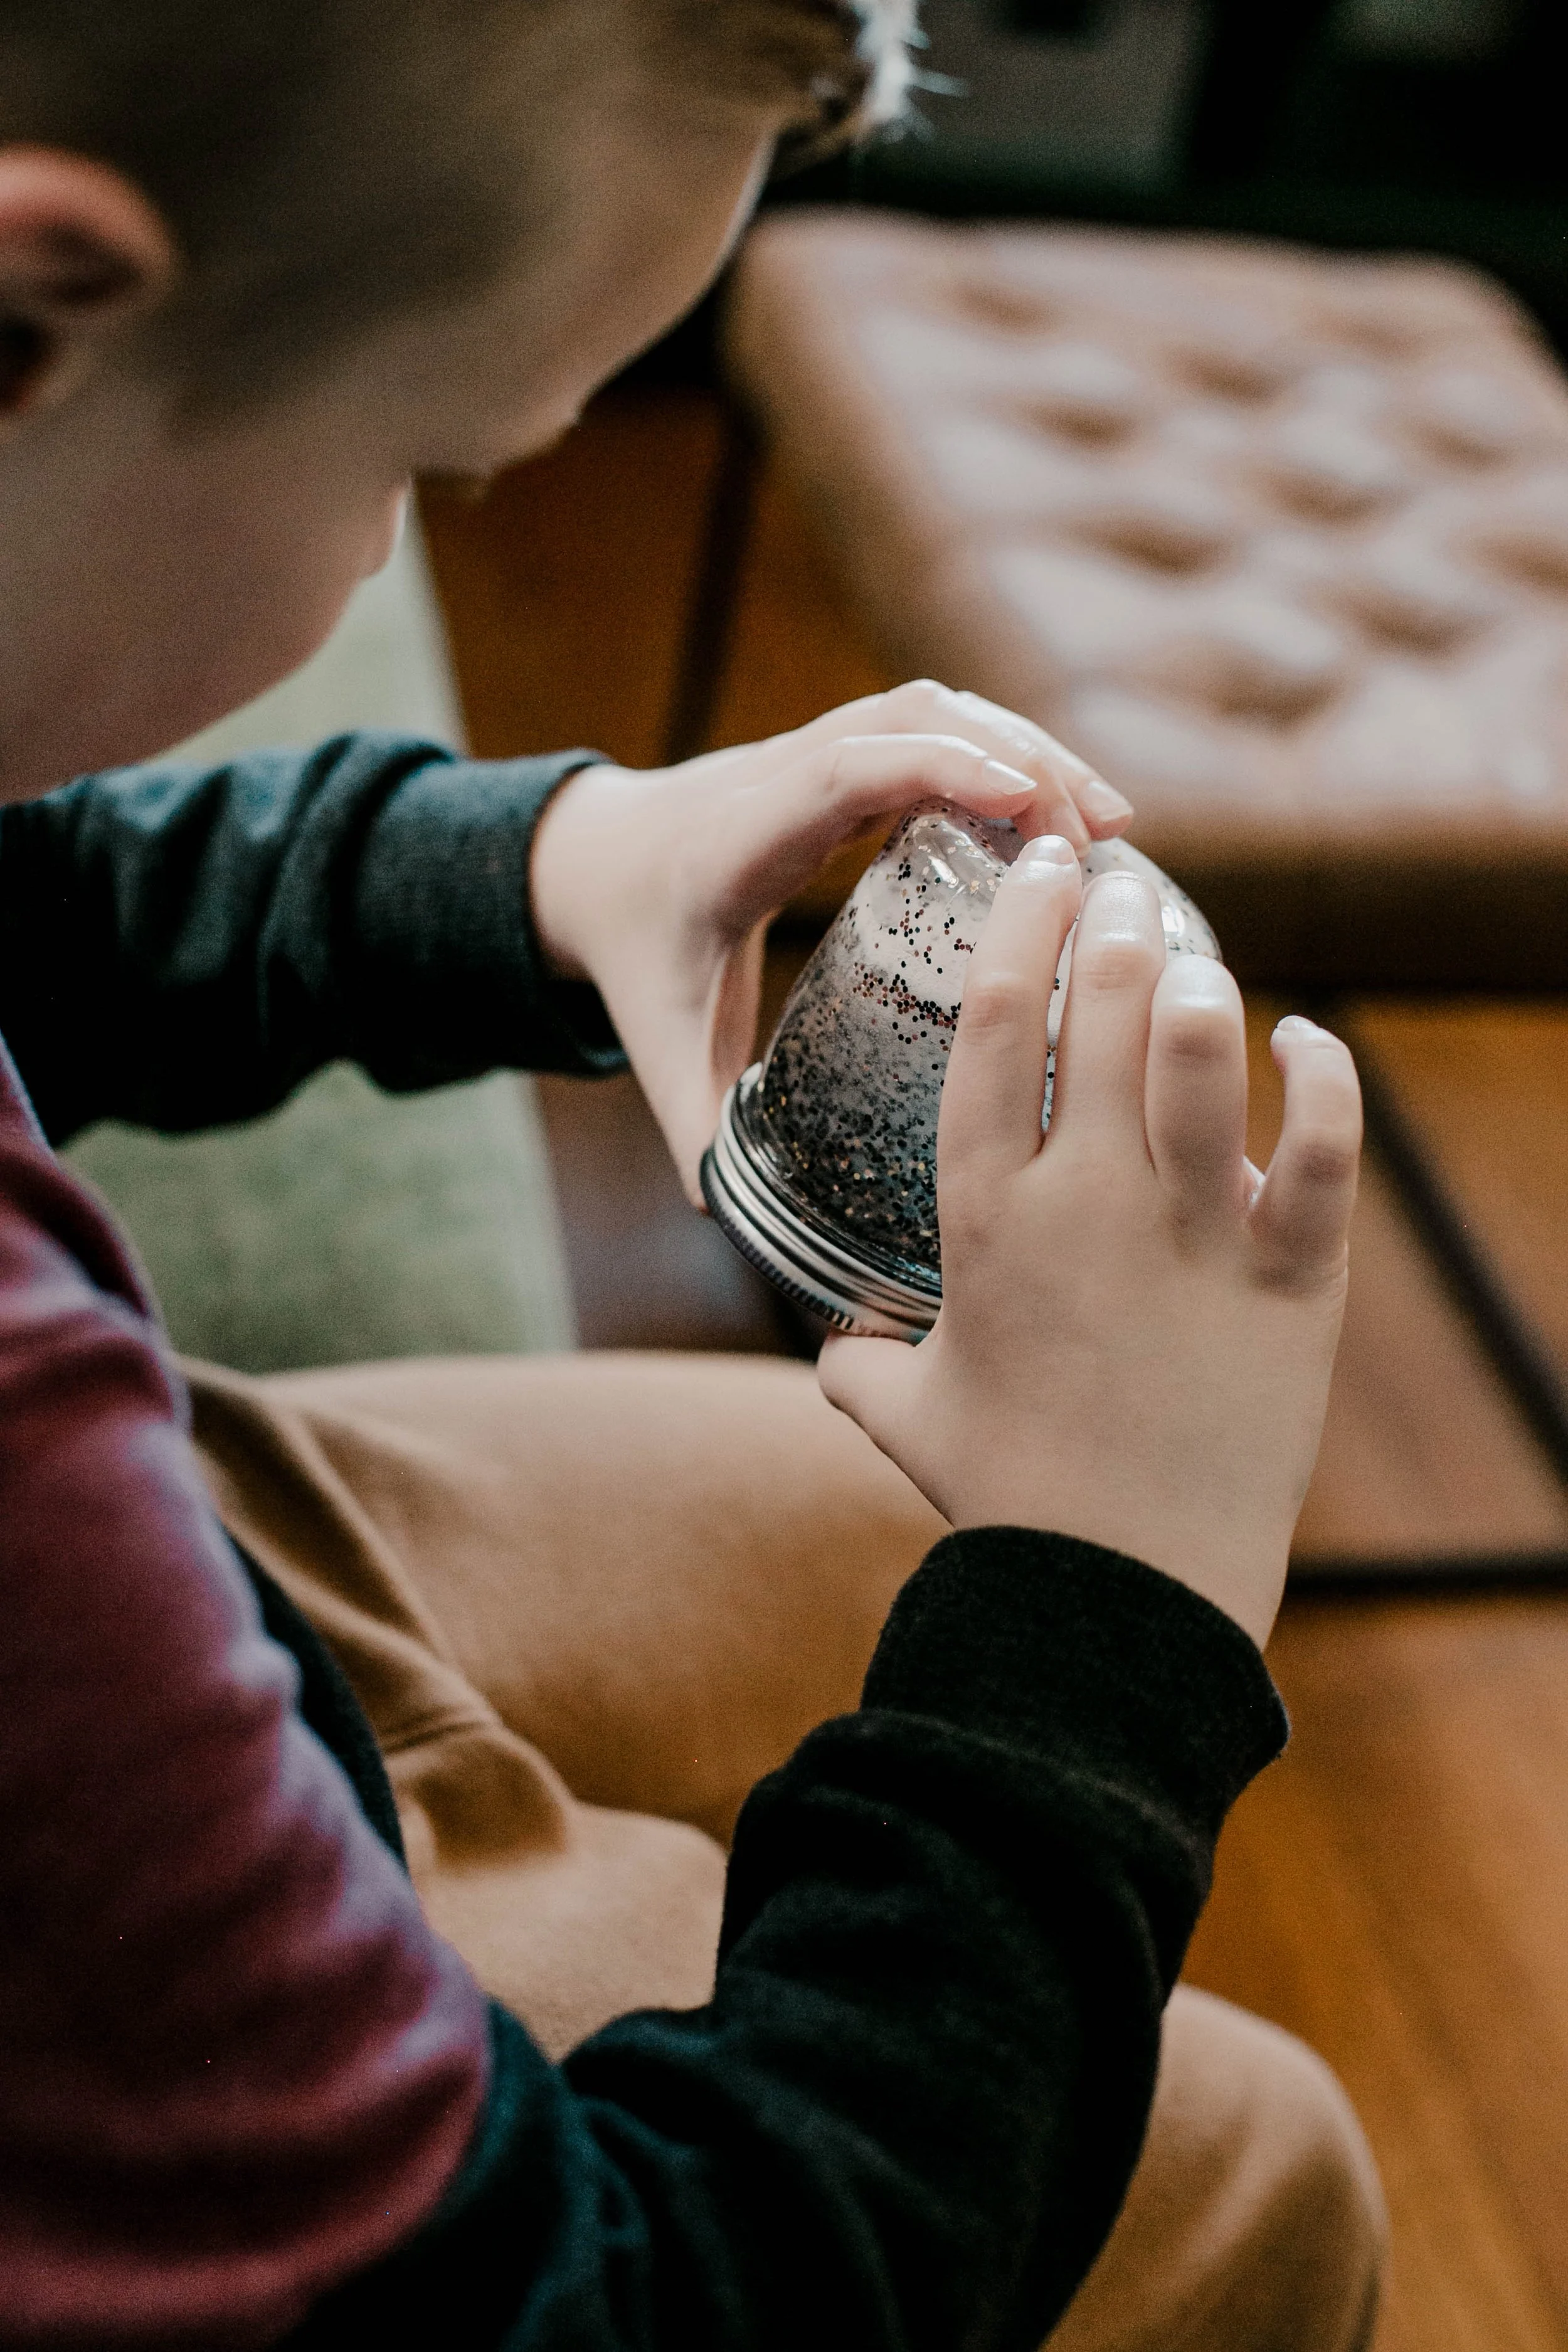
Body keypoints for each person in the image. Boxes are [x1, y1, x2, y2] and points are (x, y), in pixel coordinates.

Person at [0, 1, 1384, 2346]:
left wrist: (546, 859)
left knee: (868, 1514)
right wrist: (1112, 1596)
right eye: (432, 461)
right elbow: (632, 2305)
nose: (385, 559)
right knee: (1251, 2152)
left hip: (161, 1542)